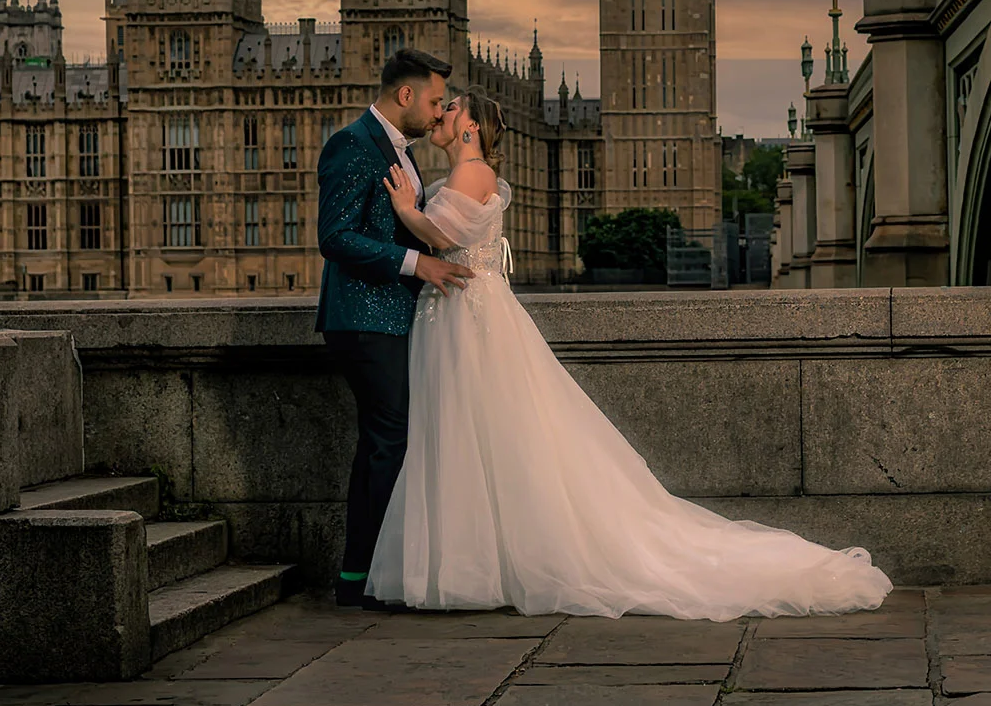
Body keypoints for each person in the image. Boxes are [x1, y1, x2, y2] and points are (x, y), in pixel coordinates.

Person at [363, 89, 892, 619]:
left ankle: (470, 567)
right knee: (473, 435)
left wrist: (407, 209)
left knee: (474, 432)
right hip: (458, 313)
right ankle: (473, 564)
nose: (441, 113)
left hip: (467, 317)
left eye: (452, 108)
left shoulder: (470, 172)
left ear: (472, 128)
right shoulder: (465, 175)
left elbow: (440, 232)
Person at [315, 46, 471, 608]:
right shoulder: (352, 145)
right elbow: (333, 236)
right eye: (433, 100)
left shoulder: (398, 151)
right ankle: (357, 580)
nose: (438, 112)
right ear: (405, 95)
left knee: (393, 440)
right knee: (387, 442)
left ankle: (378, 573)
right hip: (363, 319)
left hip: (394, 317)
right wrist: (416, 263)